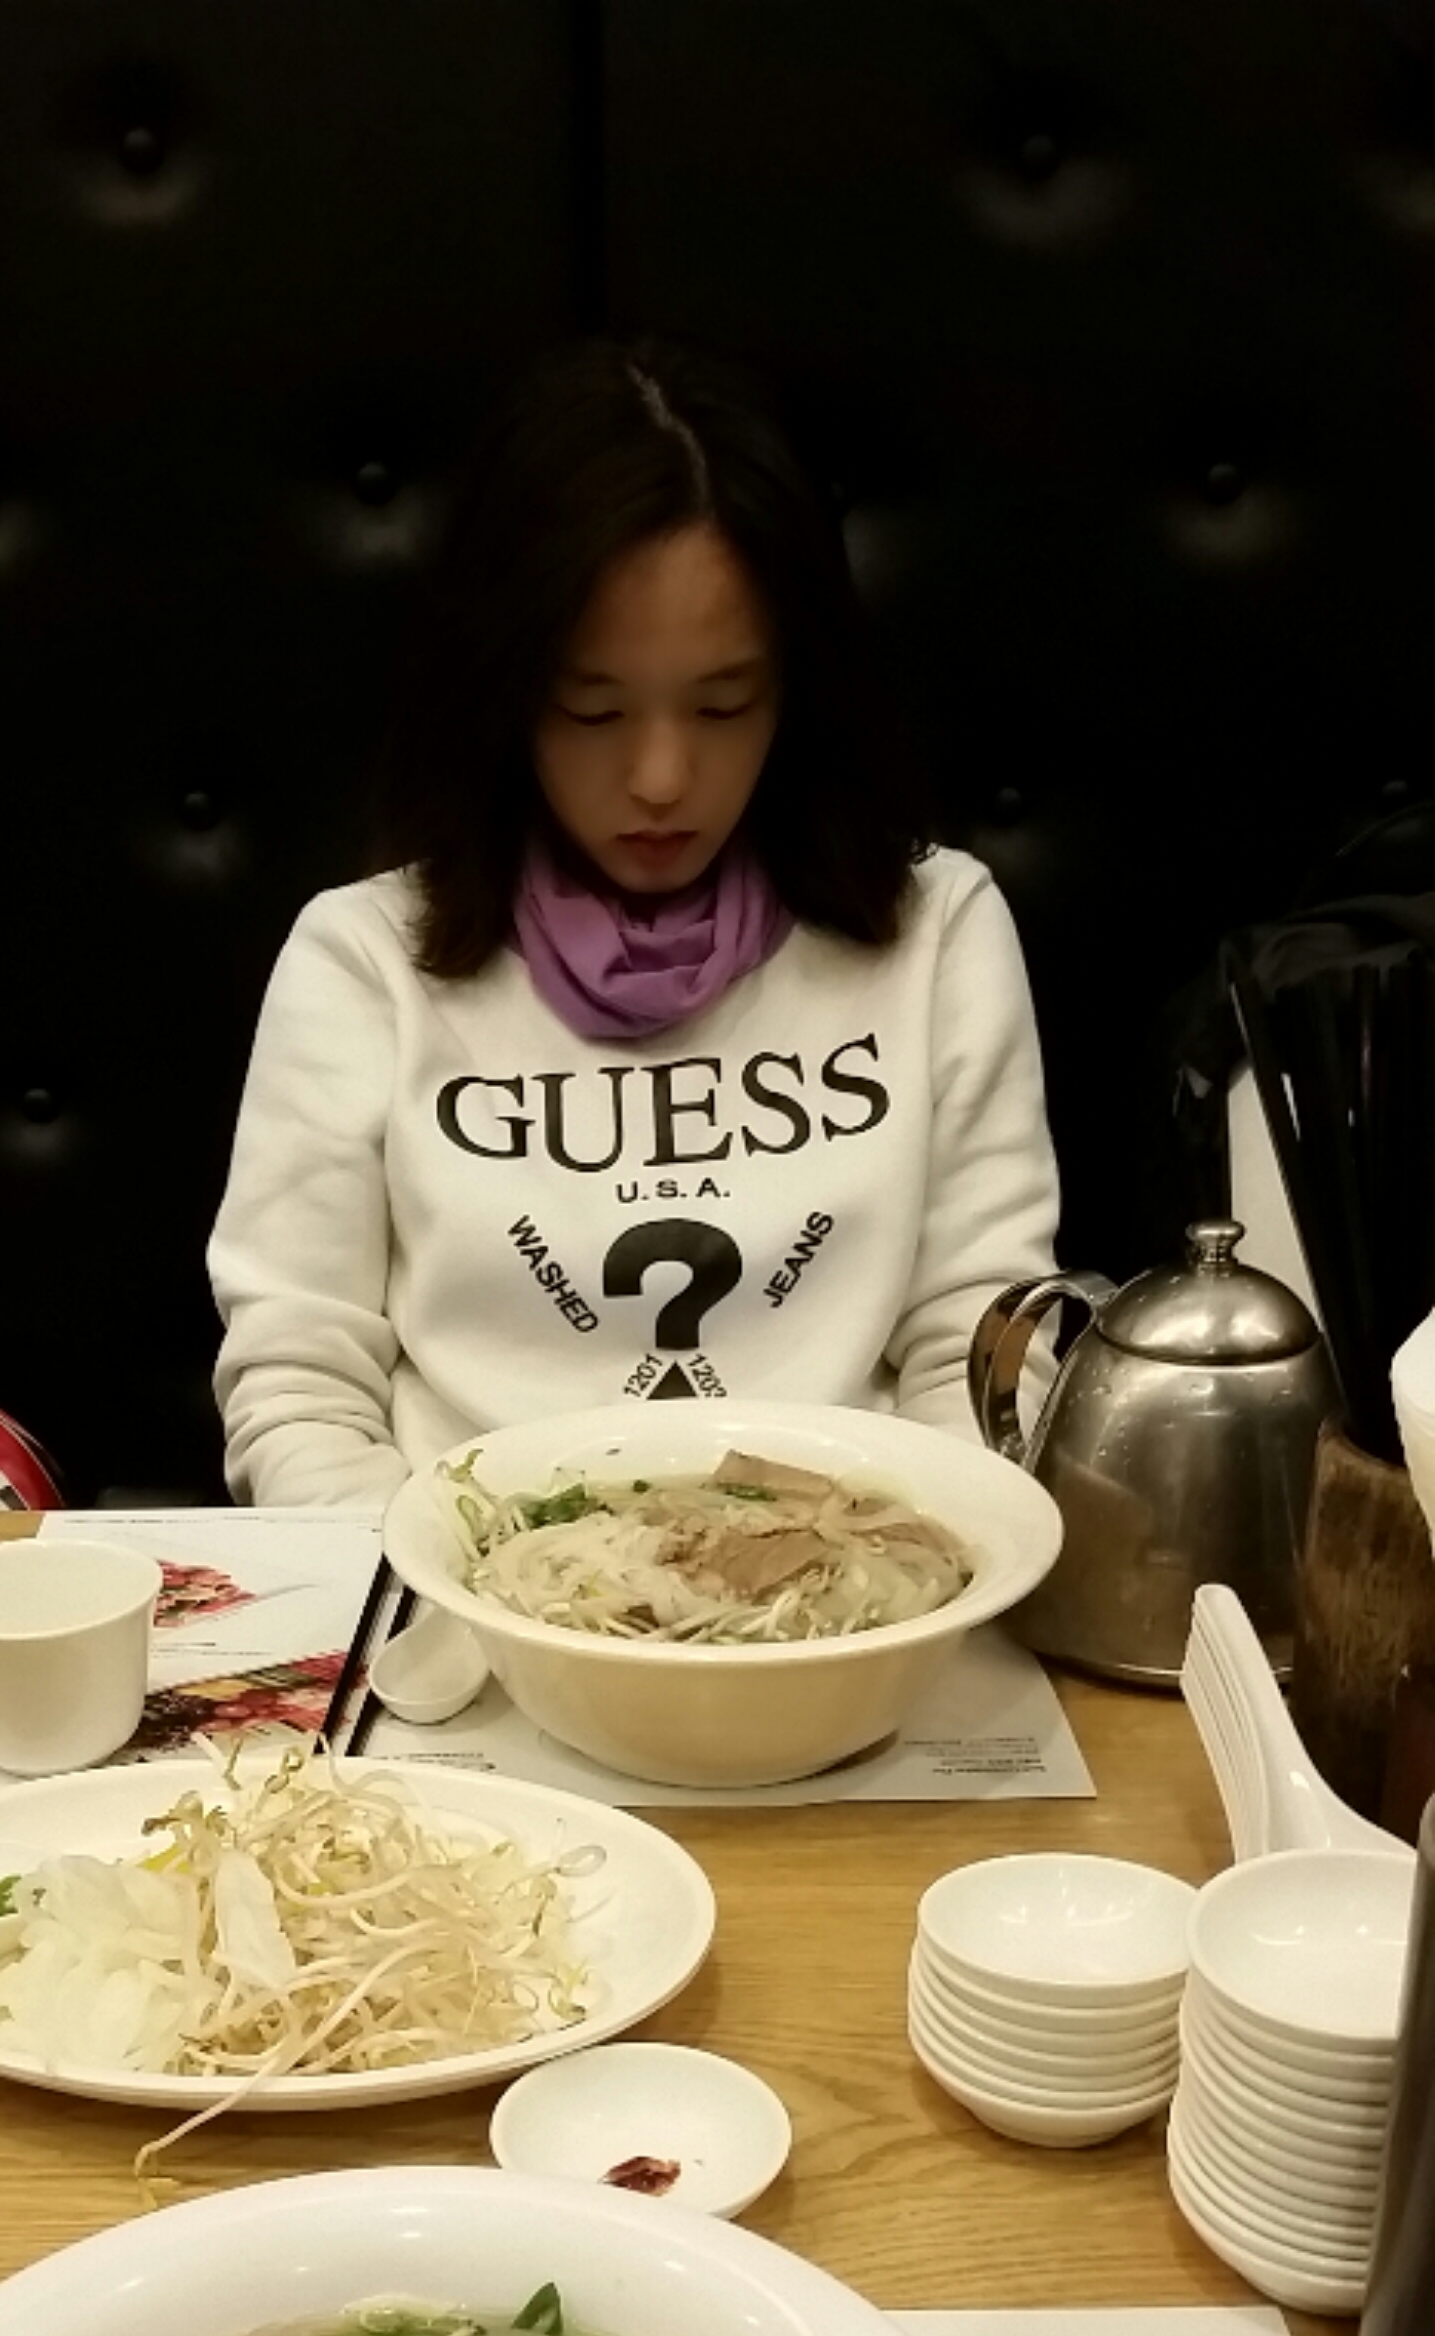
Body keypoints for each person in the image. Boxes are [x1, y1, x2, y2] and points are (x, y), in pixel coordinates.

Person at [209, 340, 1059, 1508]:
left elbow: (984, 1346)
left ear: (796, 690)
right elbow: (301, 1384)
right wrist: (430, 1590)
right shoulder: (363, 962)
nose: (662, 778)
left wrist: (911, 1567)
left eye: (724, 704)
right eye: (593, 710)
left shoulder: (937, 931)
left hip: (857, 1579)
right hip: (459, 1589)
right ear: (507, 693)